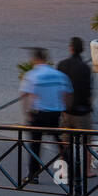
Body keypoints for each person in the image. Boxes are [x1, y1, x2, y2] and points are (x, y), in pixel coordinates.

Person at [19, 48, 72, 184]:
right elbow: (67, 94)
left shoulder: (32, 75)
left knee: (35, 145)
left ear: (35, 59)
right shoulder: (59, 75)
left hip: (39, 114)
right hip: (55, 114)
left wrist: (27, 114)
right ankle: (71, 169)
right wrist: (63, 109)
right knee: (58, 142)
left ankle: (33, 175)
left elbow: (26, 96)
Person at [57, 37, 95, 172]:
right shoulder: (86, 68)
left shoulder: (62, 64)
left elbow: (59, 88)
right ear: (82, 50)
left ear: (70, 48)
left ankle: (64, 169)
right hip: (83, 110)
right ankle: (87, 172)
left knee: (65, 141)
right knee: (87, 143)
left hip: (67, 110)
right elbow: (90, 91)